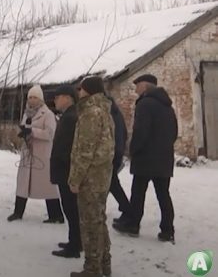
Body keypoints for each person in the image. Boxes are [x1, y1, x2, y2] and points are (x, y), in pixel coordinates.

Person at [112, 74, 178, 243]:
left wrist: (133, 149)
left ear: (146, 86)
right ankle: (167, 230)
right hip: (164, 158)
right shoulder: (167, 106)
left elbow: (141, 131)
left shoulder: (145, 104)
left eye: (138, 85)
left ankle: (133, 225)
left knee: (138, 193)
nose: (135, 89)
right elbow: (174, 132)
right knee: (163, 194)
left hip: (145, 158)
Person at [69, 76, 115, 277]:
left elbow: (85, 150)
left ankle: (92, 269)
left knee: (90, 224)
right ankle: (104, 264)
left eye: (81, 89)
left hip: (90, 178)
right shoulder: (105, 111)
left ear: (88, 90)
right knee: (99, 220)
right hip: (102, 175)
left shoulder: (90, 113)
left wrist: (75, 179)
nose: (78, 92)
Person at [8, 85, 64, 223]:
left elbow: (50, 134)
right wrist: (22, 133)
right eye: (30, 97)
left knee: (47, 186)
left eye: (35, 97)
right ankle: (18, 212)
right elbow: (24, 127)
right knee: (22, 183)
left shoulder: (48, 114)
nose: (32, 100)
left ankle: (56, 215)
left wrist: (32, 132)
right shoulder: (27, 113)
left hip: (42, 154)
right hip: (28, 152)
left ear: (40, 99)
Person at [49, 85, 82, 259]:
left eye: (57, 97)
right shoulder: (69, 115)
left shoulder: (71, 117)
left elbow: (67, 146)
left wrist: (61, 161)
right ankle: (76, 241)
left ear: (68, 97)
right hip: (66, 170)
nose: (55, 100)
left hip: (67, 170)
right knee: (71, 208)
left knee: (71, 209)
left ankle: (74, 246)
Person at [107, 94, 131, 222]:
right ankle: (126, 208)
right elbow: (125, 134)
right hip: (117, 151)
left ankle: (127, 209)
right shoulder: (117, 114)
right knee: (110, 182)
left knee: (111, 182)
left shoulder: (108, 115)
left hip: (111, 152)